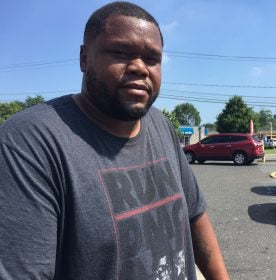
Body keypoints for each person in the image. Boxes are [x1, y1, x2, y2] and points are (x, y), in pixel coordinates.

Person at [0, 2, 230, 279]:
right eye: (121, 52)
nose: (139, 68)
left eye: (152, 59)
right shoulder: (29, 142)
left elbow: (195, 217)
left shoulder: (160, 125)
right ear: (84, 58)